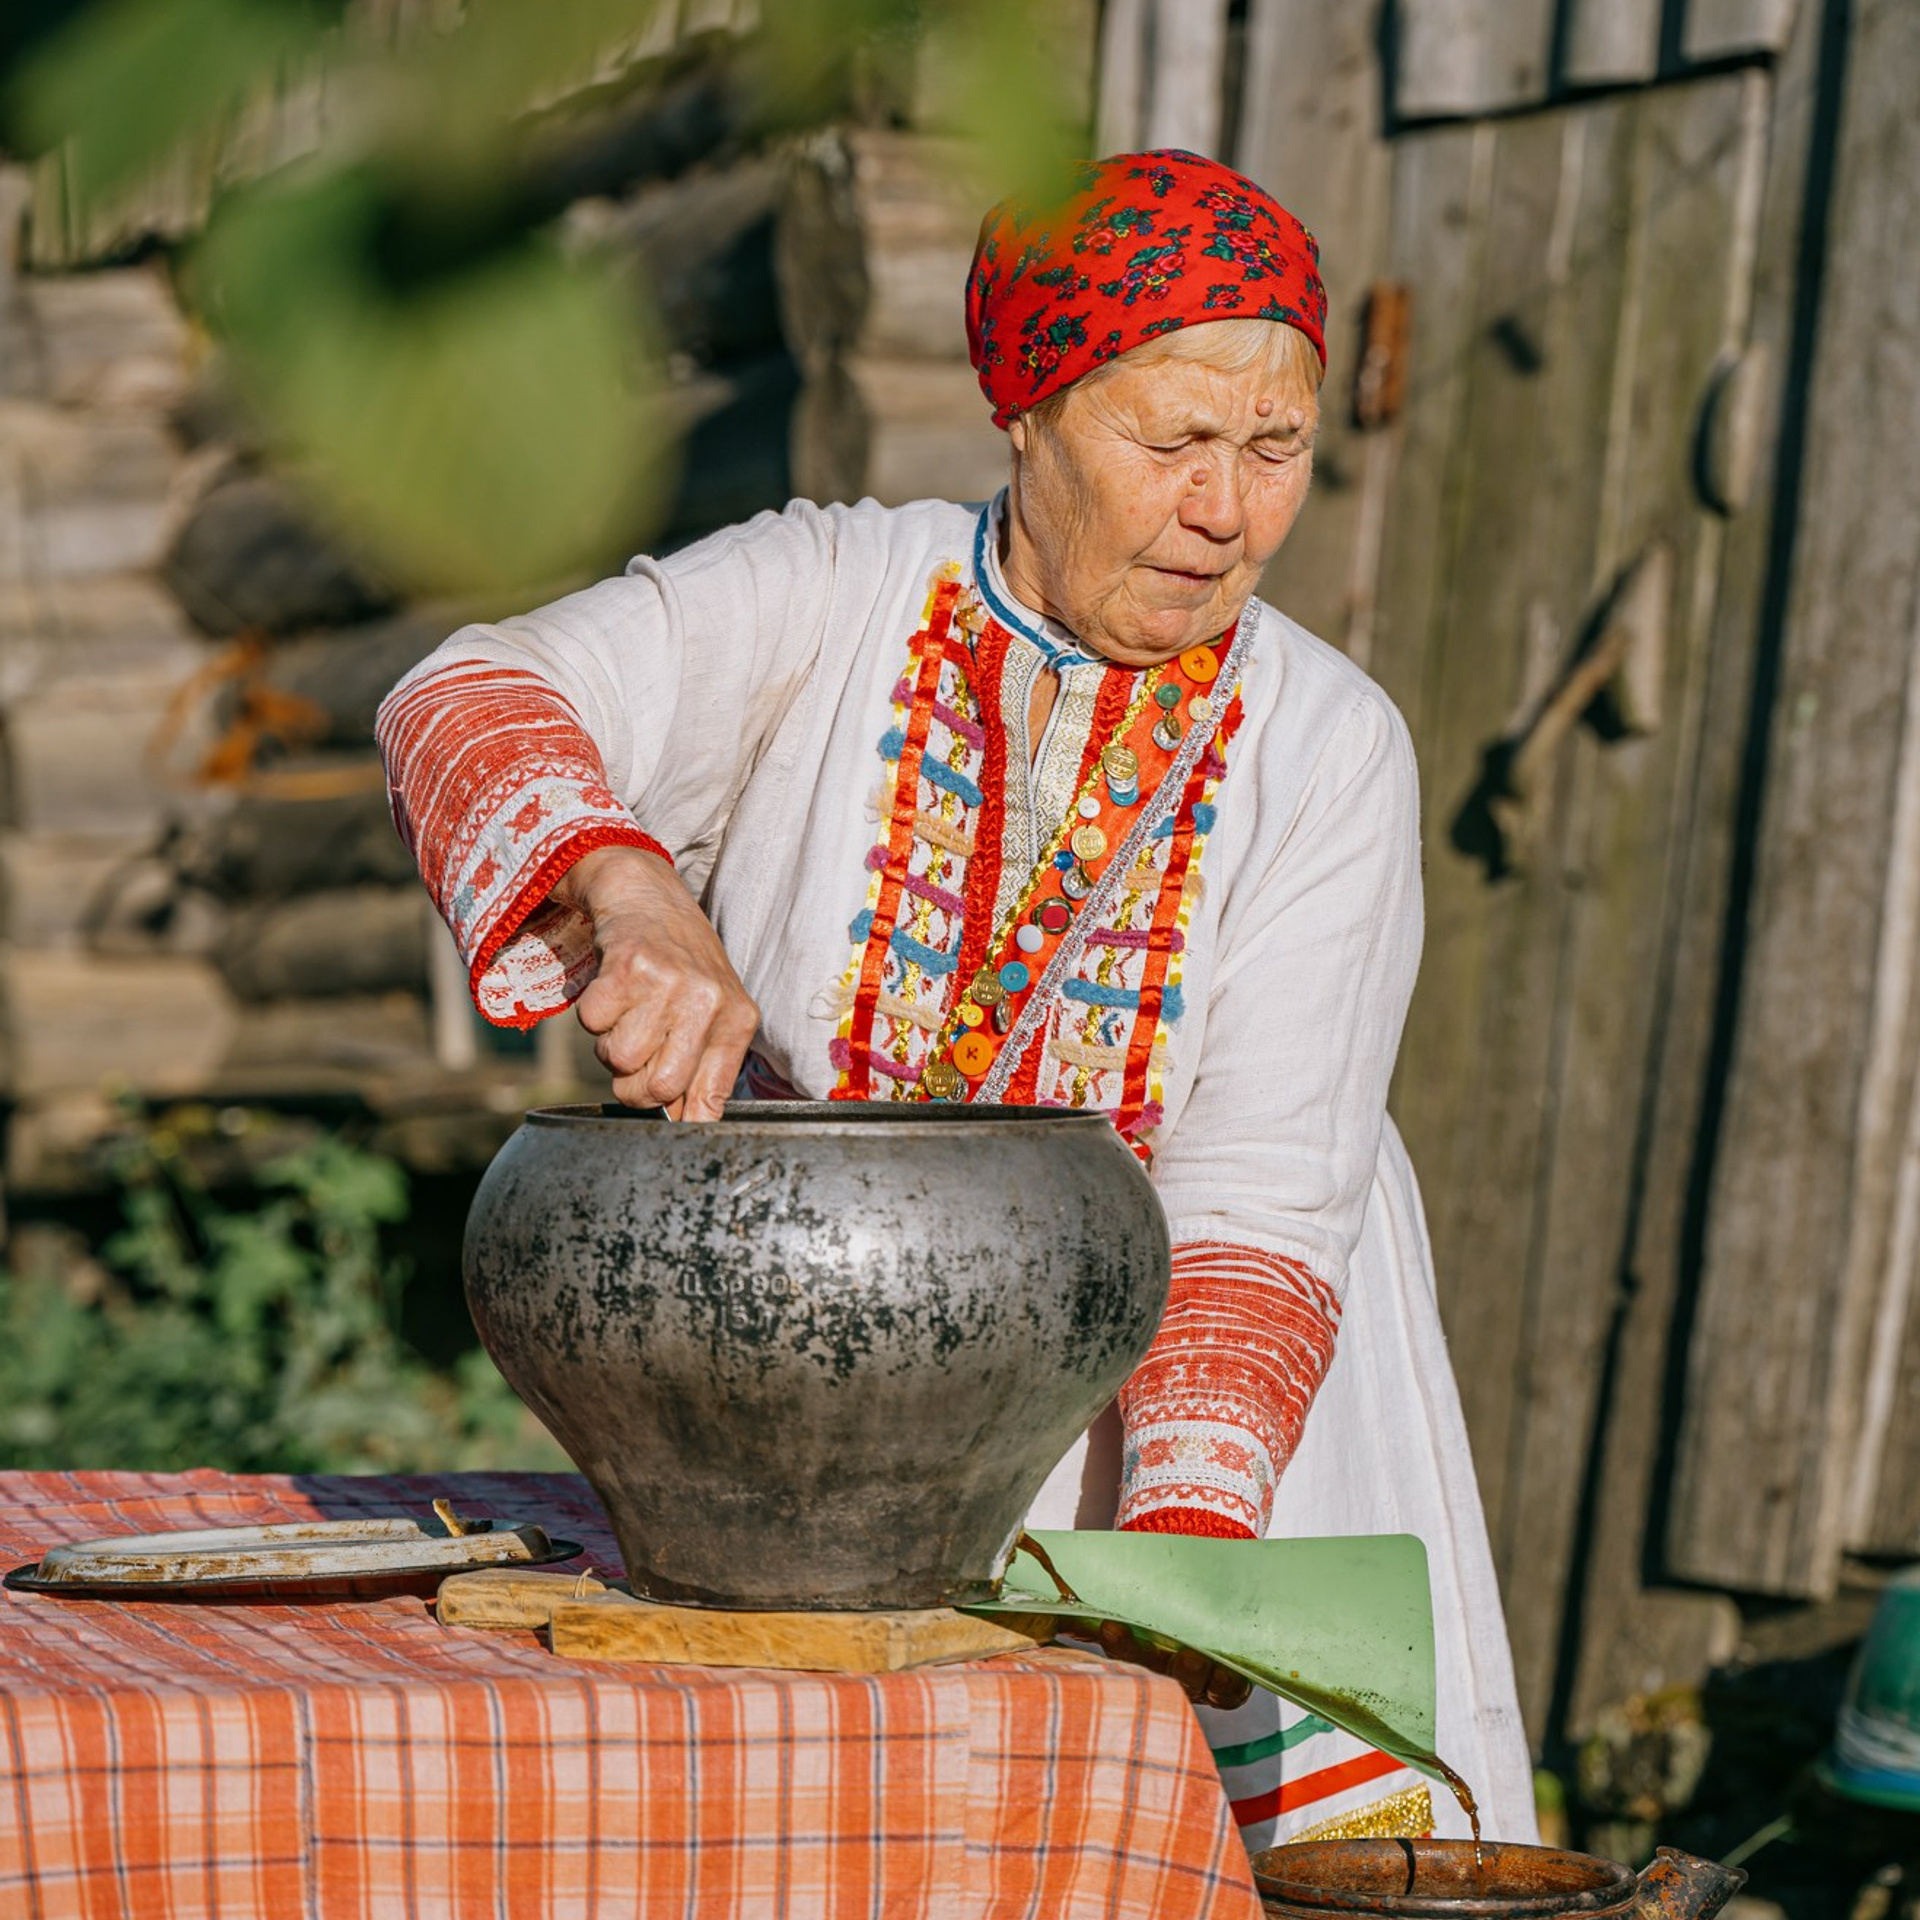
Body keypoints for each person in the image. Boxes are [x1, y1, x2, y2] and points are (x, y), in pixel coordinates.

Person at [378, 147, 1536, 1853]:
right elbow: (466, 691)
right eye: (1172, 445)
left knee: (1217, 1854)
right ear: (1033, 415)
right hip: (820, 1380)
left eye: (1274, 451)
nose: (1226, 512)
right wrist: (630, 886)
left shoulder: (1328, 740)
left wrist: (1183, 1582)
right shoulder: (832, 592)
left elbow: (1265, 1188)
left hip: (1220, 1404)